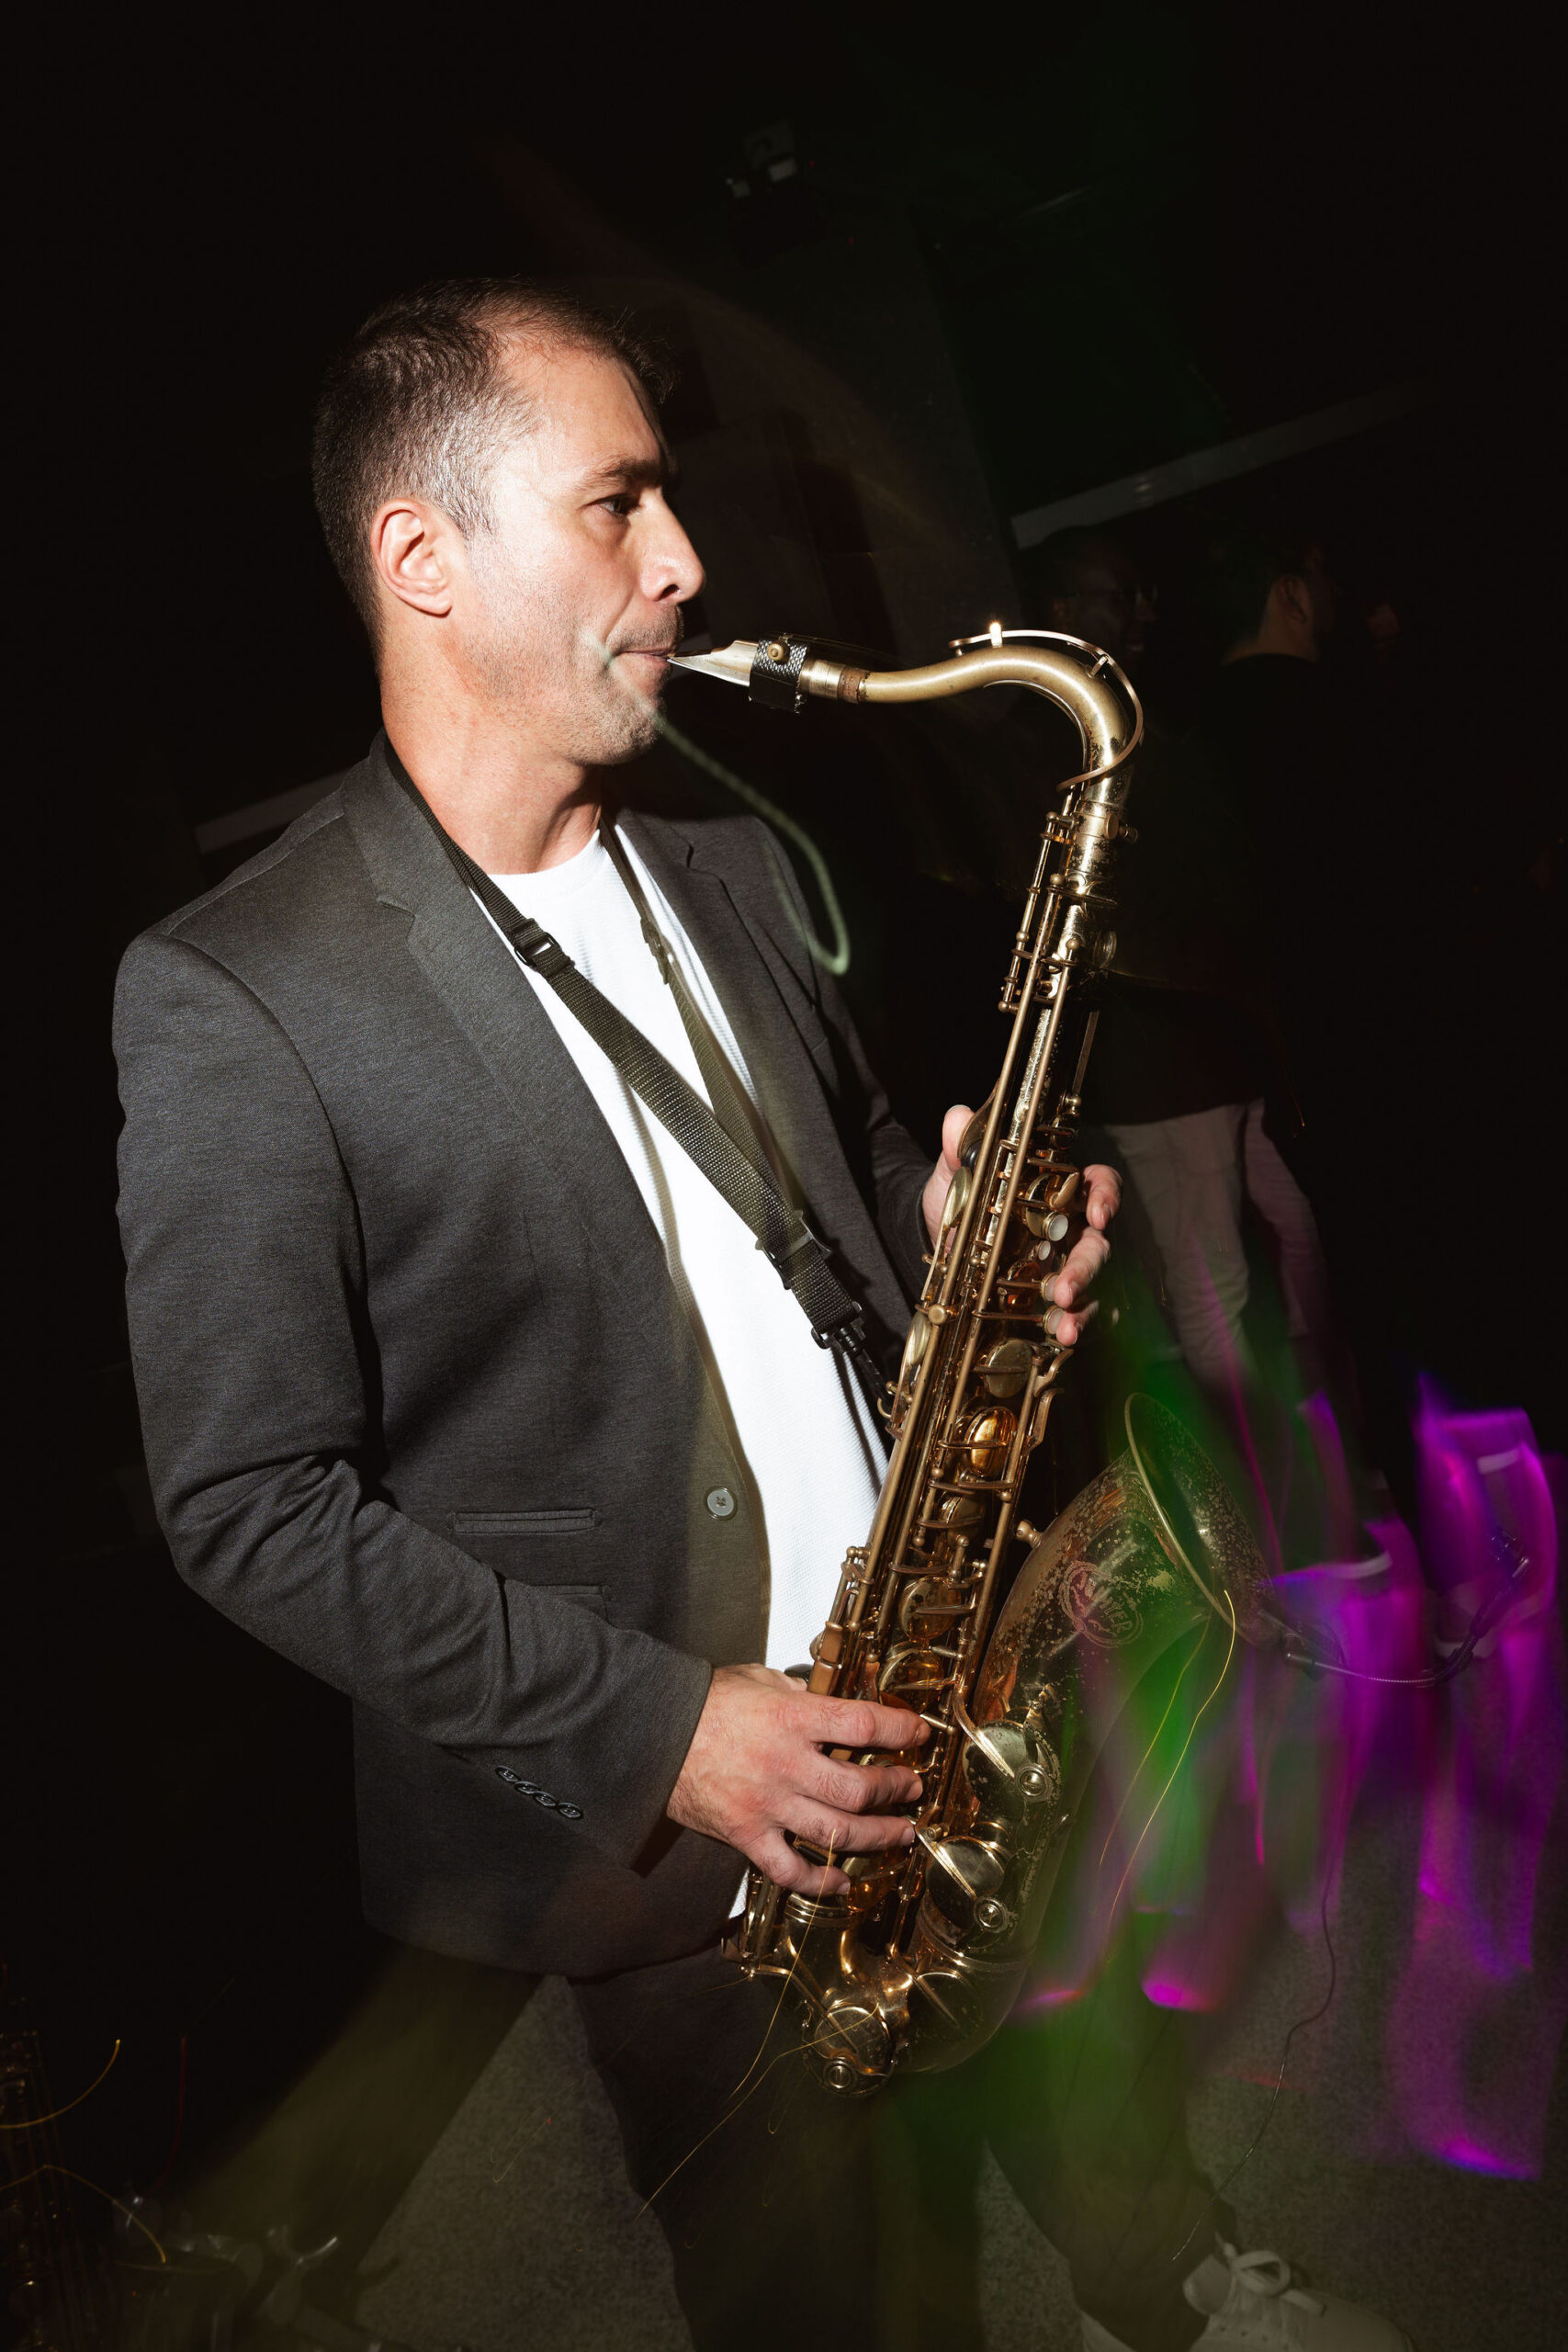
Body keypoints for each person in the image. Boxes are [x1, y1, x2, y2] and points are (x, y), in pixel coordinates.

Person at [115, 281, 1406, 2352]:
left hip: (945, 1670)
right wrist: (667, 1731)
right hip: (668, 1839)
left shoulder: (723, 866)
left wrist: (950, 1236)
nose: (687, 557)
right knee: (816, 2284)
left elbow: (852, 1163)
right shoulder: (239, 991)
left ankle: (1170, 2272)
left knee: (1076, 2058)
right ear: (424, 557)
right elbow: (244, 1500)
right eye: (617, 503)